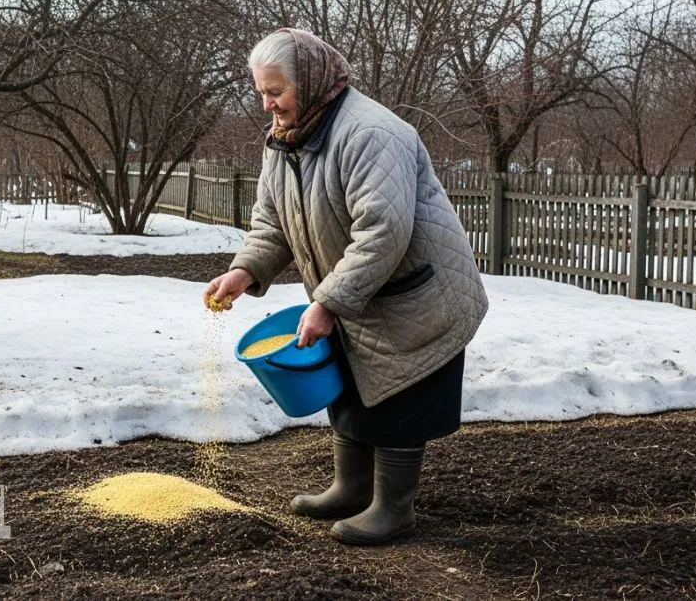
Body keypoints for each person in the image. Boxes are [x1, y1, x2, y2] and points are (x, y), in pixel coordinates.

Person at [203, 28, 488, 546]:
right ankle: (352, 488)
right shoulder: (288, 139)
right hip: (359, 292)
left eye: (276, 92)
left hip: (415, 296)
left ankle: (393, 508)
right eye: (262, 93)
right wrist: (245, 270)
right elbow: (272, 222)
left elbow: (383, 232)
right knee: (351, 387)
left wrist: (329, 301)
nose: (267, 105)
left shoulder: (370, 134)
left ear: (309, 82)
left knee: (403, 396)